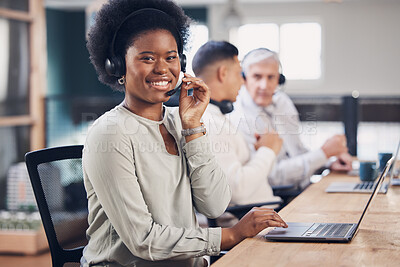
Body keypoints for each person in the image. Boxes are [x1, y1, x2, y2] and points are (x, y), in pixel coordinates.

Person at [83, 1, 287, 266]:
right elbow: (143, 240)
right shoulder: (110, 134)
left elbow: (214, 205)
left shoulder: (180, 123)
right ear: (117, 66)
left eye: (170, 57)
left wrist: (192, 127)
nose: (162, 68)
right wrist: (230, 235)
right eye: (147, 58)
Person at [230, 48, 352, 190]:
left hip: (302, 190)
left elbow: (297, 152)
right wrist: (323, 153)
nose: (264, 85)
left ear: (279, 80)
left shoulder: (282, 102)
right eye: (257, 77)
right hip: (277, 199)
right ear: (244, 79)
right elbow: (272, 176)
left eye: (271, 77)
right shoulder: (239, 116)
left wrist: (327, 161)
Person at [192, 41, 282, 207]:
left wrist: (258, 151)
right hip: (257, 225)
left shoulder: (216, 117)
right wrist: (267, 150)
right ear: (223, 73)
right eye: (239, 74)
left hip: (267, 214)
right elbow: (236, 191)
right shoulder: (211, 124)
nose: (242, 82)